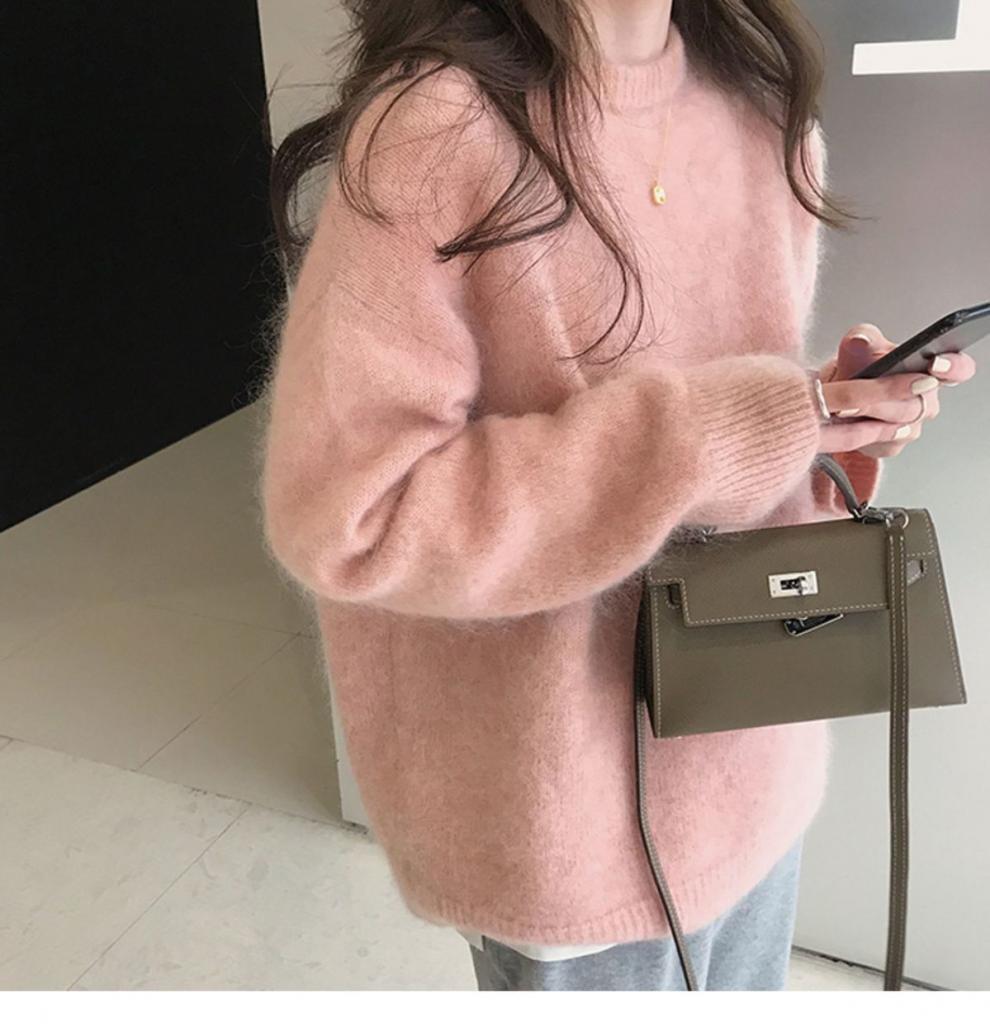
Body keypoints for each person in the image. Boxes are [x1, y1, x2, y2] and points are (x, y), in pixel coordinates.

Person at [257, 0, 976, 991]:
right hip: (566, 822)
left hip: (753, 767)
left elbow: (719, 440)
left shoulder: (763, 107)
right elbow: (352, 514)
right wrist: (720, 430)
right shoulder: (439, 130)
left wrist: (821, 421)